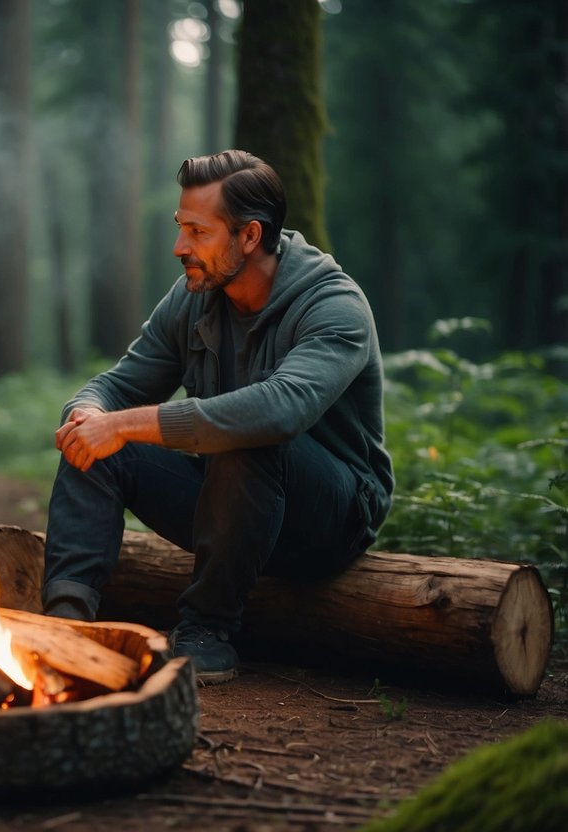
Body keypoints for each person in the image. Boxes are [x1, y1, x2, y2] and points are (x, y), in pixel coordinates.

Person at [42, 149, 393, 683]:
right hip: (228, 503)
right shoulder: (194, 295)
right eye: (181, 227)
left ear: (249, 236)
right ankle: (66, 622)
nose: (180, 247)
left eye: (198, 232)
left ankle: (206, 628)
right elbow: (117, 385)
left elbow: (279, 411)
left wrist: (126, 424)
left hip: (329, 519)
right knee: (92, 442)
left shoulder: (333, 305)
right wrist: (89, 415)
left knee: (247, 436)